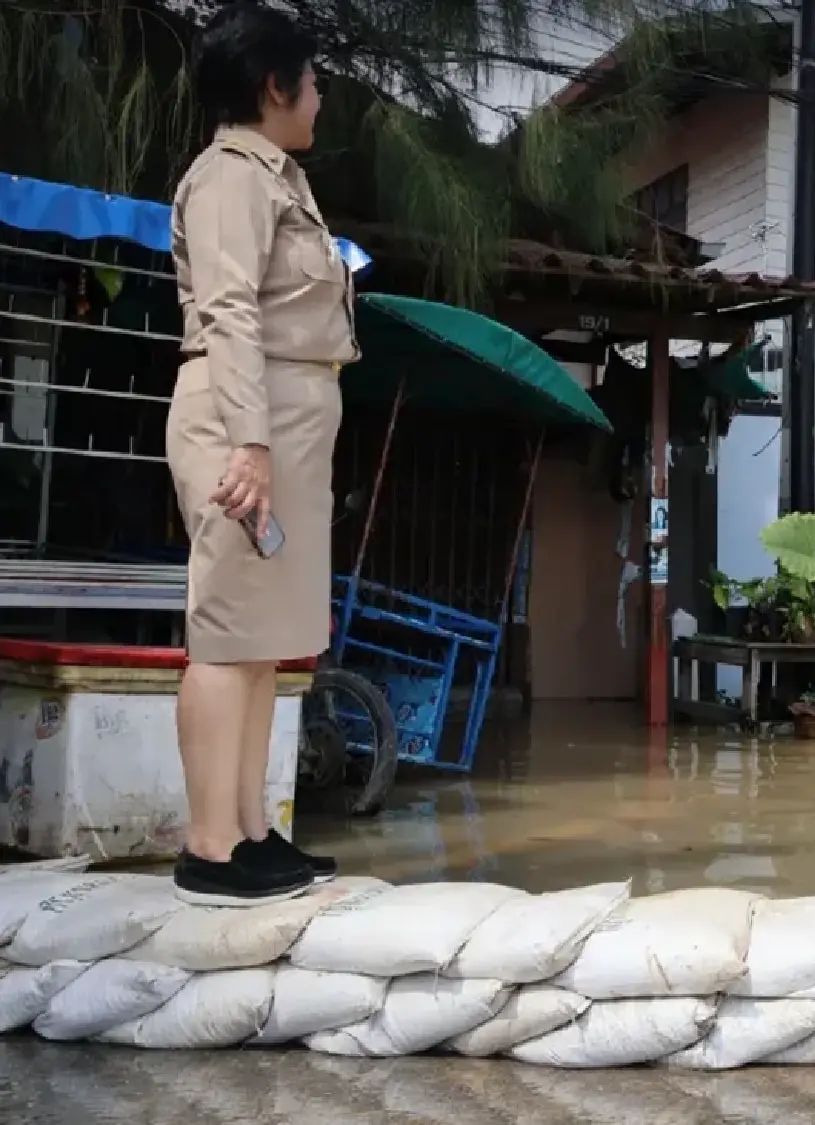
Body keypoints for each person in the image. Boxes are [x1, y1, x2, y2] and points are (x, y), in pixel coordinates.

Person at [165, 2, 355, 906]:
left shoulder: (277, 177)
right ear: (273, 88)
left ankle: (246, 829)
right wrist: (252, 440)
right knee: (229, 626)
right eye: (311, 81)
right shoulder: (232, 176)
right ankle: (209, 846)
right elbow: (230, 309)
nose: (318, 97)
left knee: (263, 641)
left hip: (280, 418)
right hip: (247, 416)